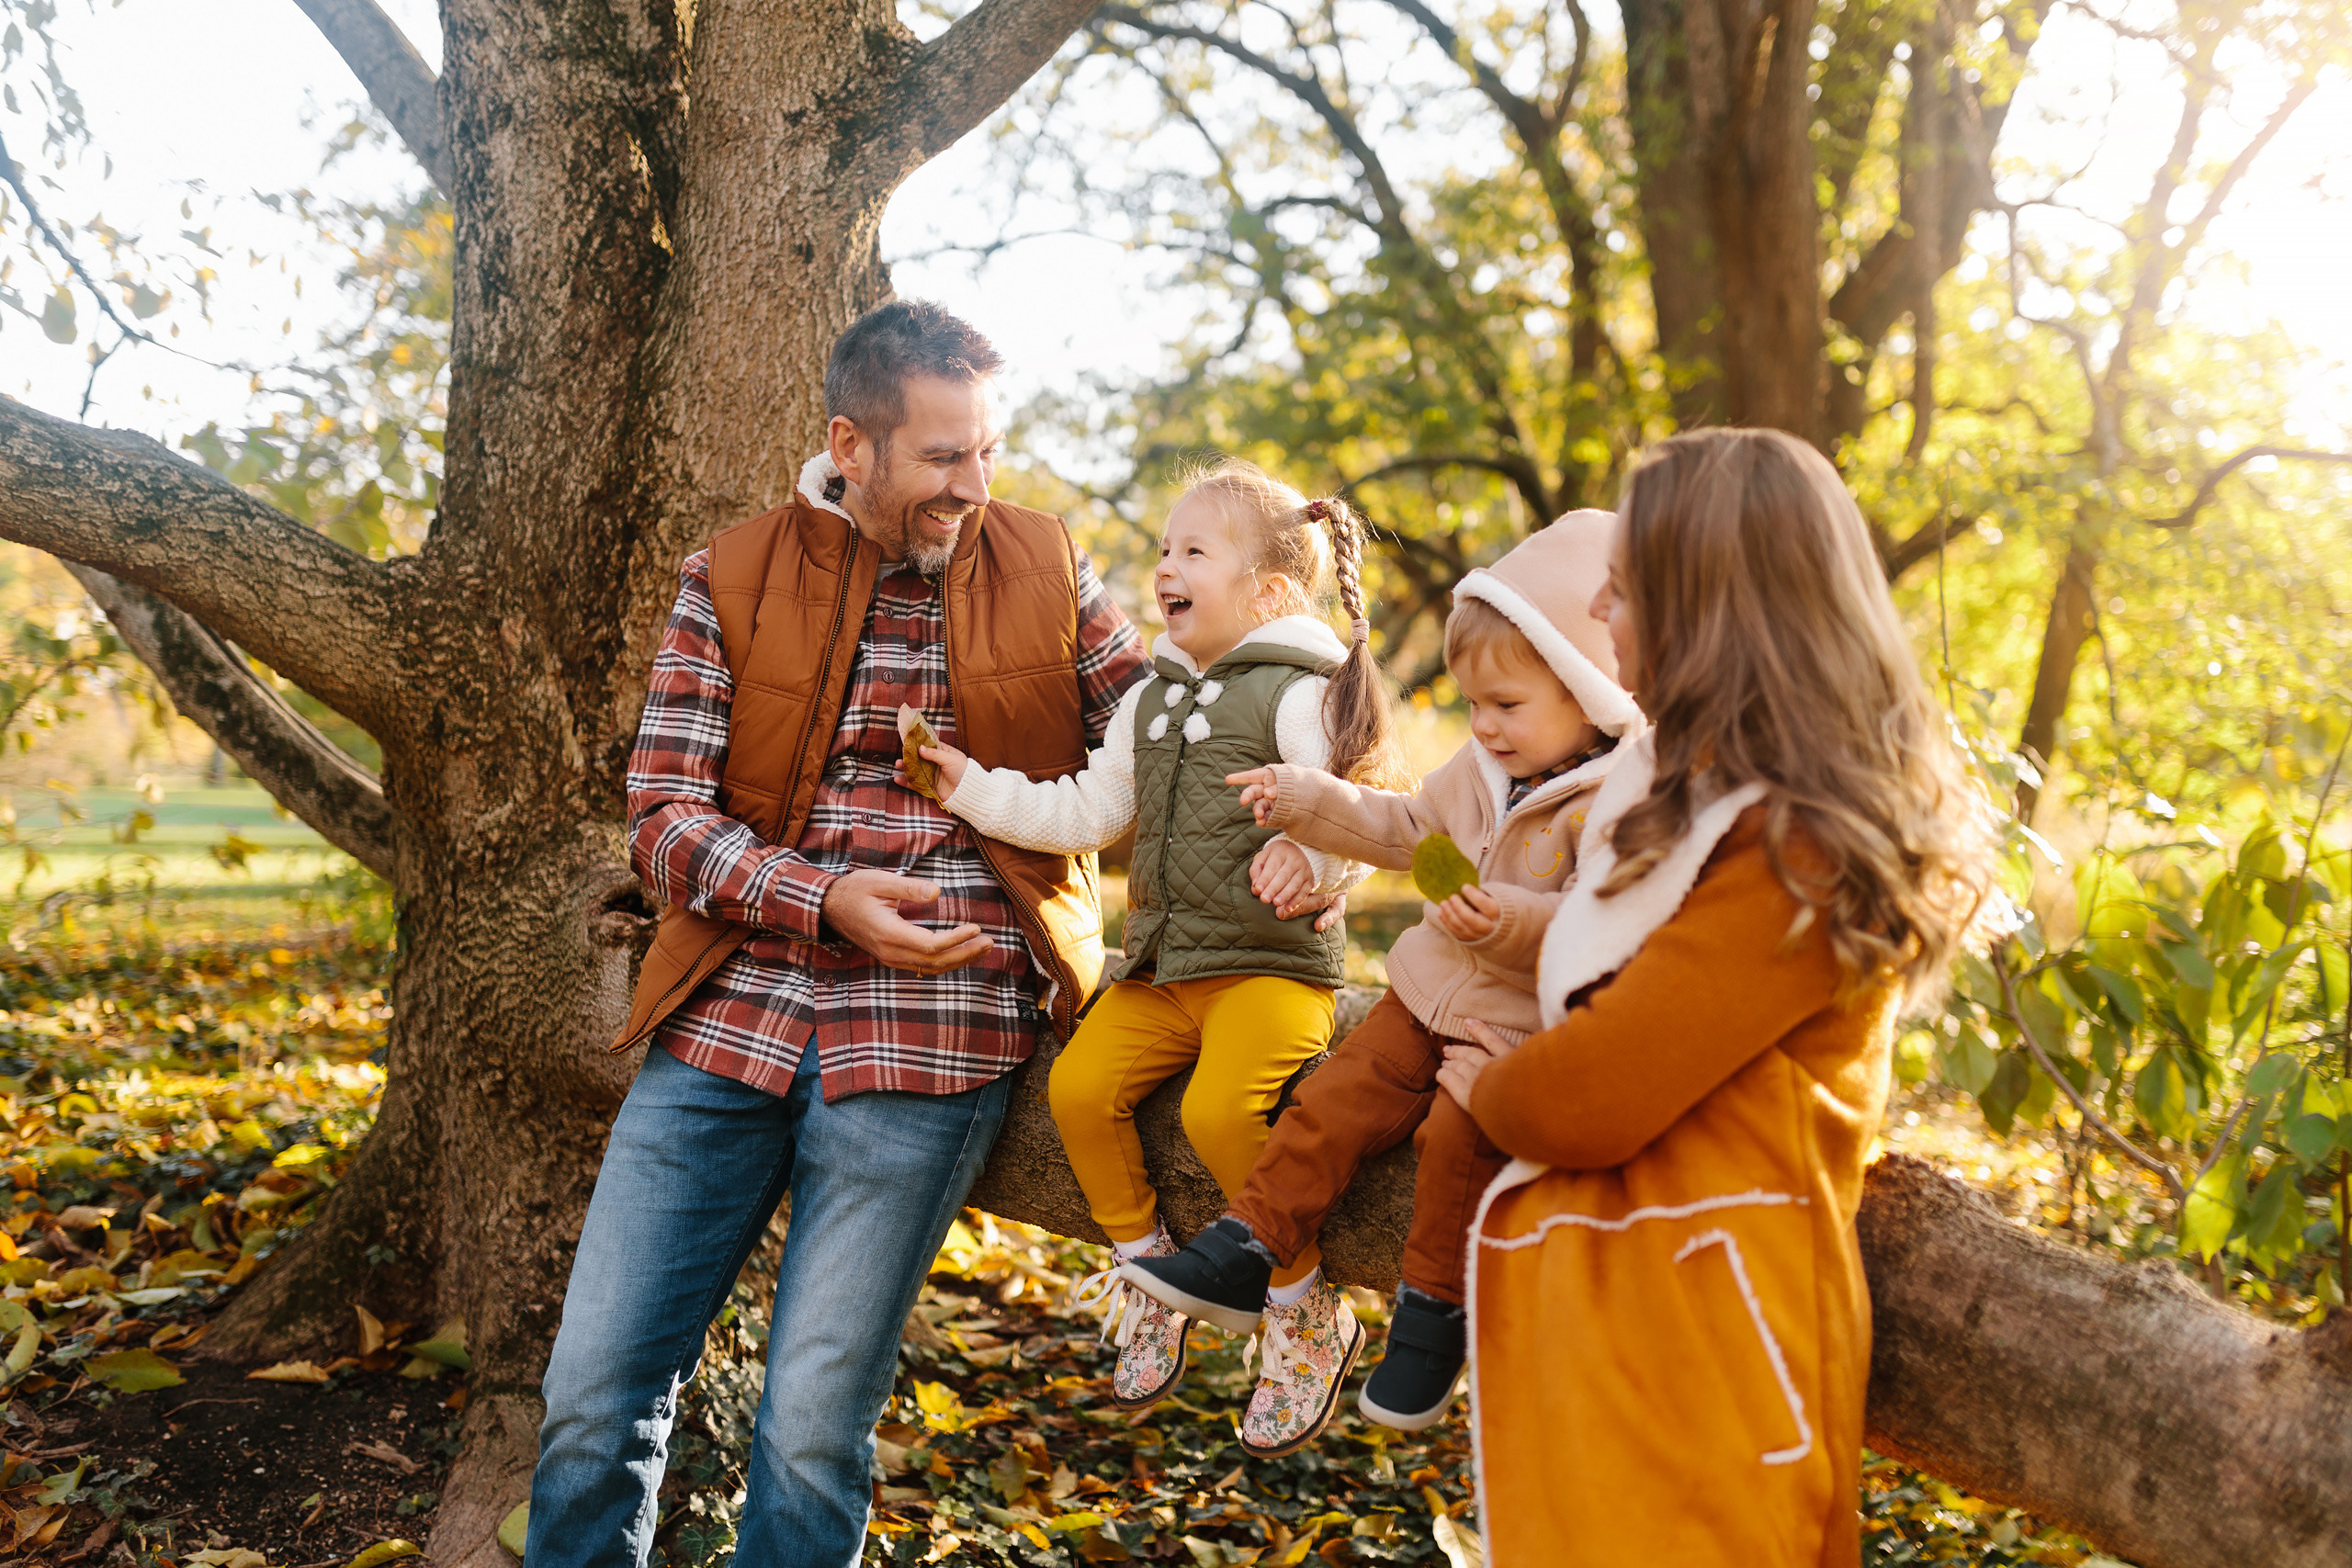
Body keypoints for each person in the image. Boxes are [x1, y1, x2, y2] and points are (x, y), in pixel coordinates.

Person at [524, 300, 1154, 1567]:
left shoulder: (1045, 561)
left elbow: (1171, 733)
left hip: (934, 1030)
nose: (971, 486)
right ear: (850, 444)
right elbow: (663, 815)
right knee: (591, 1398)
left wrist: (1304, 775)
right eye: (940, 457)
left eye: (985, 452)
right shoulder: (733, 572)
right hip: (730, 1012)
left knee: (813, 1430)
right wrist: (820, 896)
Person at [1442, 429, 1992, 1566]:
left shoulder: (1802, 847)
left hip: (1715, 1341)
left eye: (1629, 586)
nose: (1598, 605)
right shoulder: (1688, 796)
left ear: (1712, 610)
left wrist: (1496, 1084)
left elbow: (1587, 1091)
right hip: (1656, 1321)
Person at [917, 458, 1408, 1457]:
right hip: (1164, 971)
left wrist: (1311, 860)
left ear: (1269, 591)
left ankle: (1303, 1302)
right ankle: (1151, 1269)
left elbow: (1355, 808)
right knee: (1078, 1086)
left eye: (1192, 551)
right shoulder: (1149, 700)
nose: (1164, 568)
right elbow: (1089, 814)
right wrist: (971, 786)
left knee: (1221, 1111)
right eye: (1162, 550)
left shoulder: (1297, 691)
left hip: (1273, 972)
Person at [1119, 512, 1641, 1438]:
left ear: (1585, 688)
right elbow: (1408, 833)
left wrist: (1513, 921)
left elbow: (1612, 925)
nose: (1484, 726)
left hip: (1510, 1026)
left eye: (1507, 706)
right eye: (1473, 704)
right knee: (1335, 1098)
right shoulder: (1480, 767)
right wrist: (1308, 799)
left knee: (1454, 1144)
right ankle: (1250, 1241)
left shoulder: (1618, 799)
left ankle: (1432, 1317)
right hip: (1422, 993)